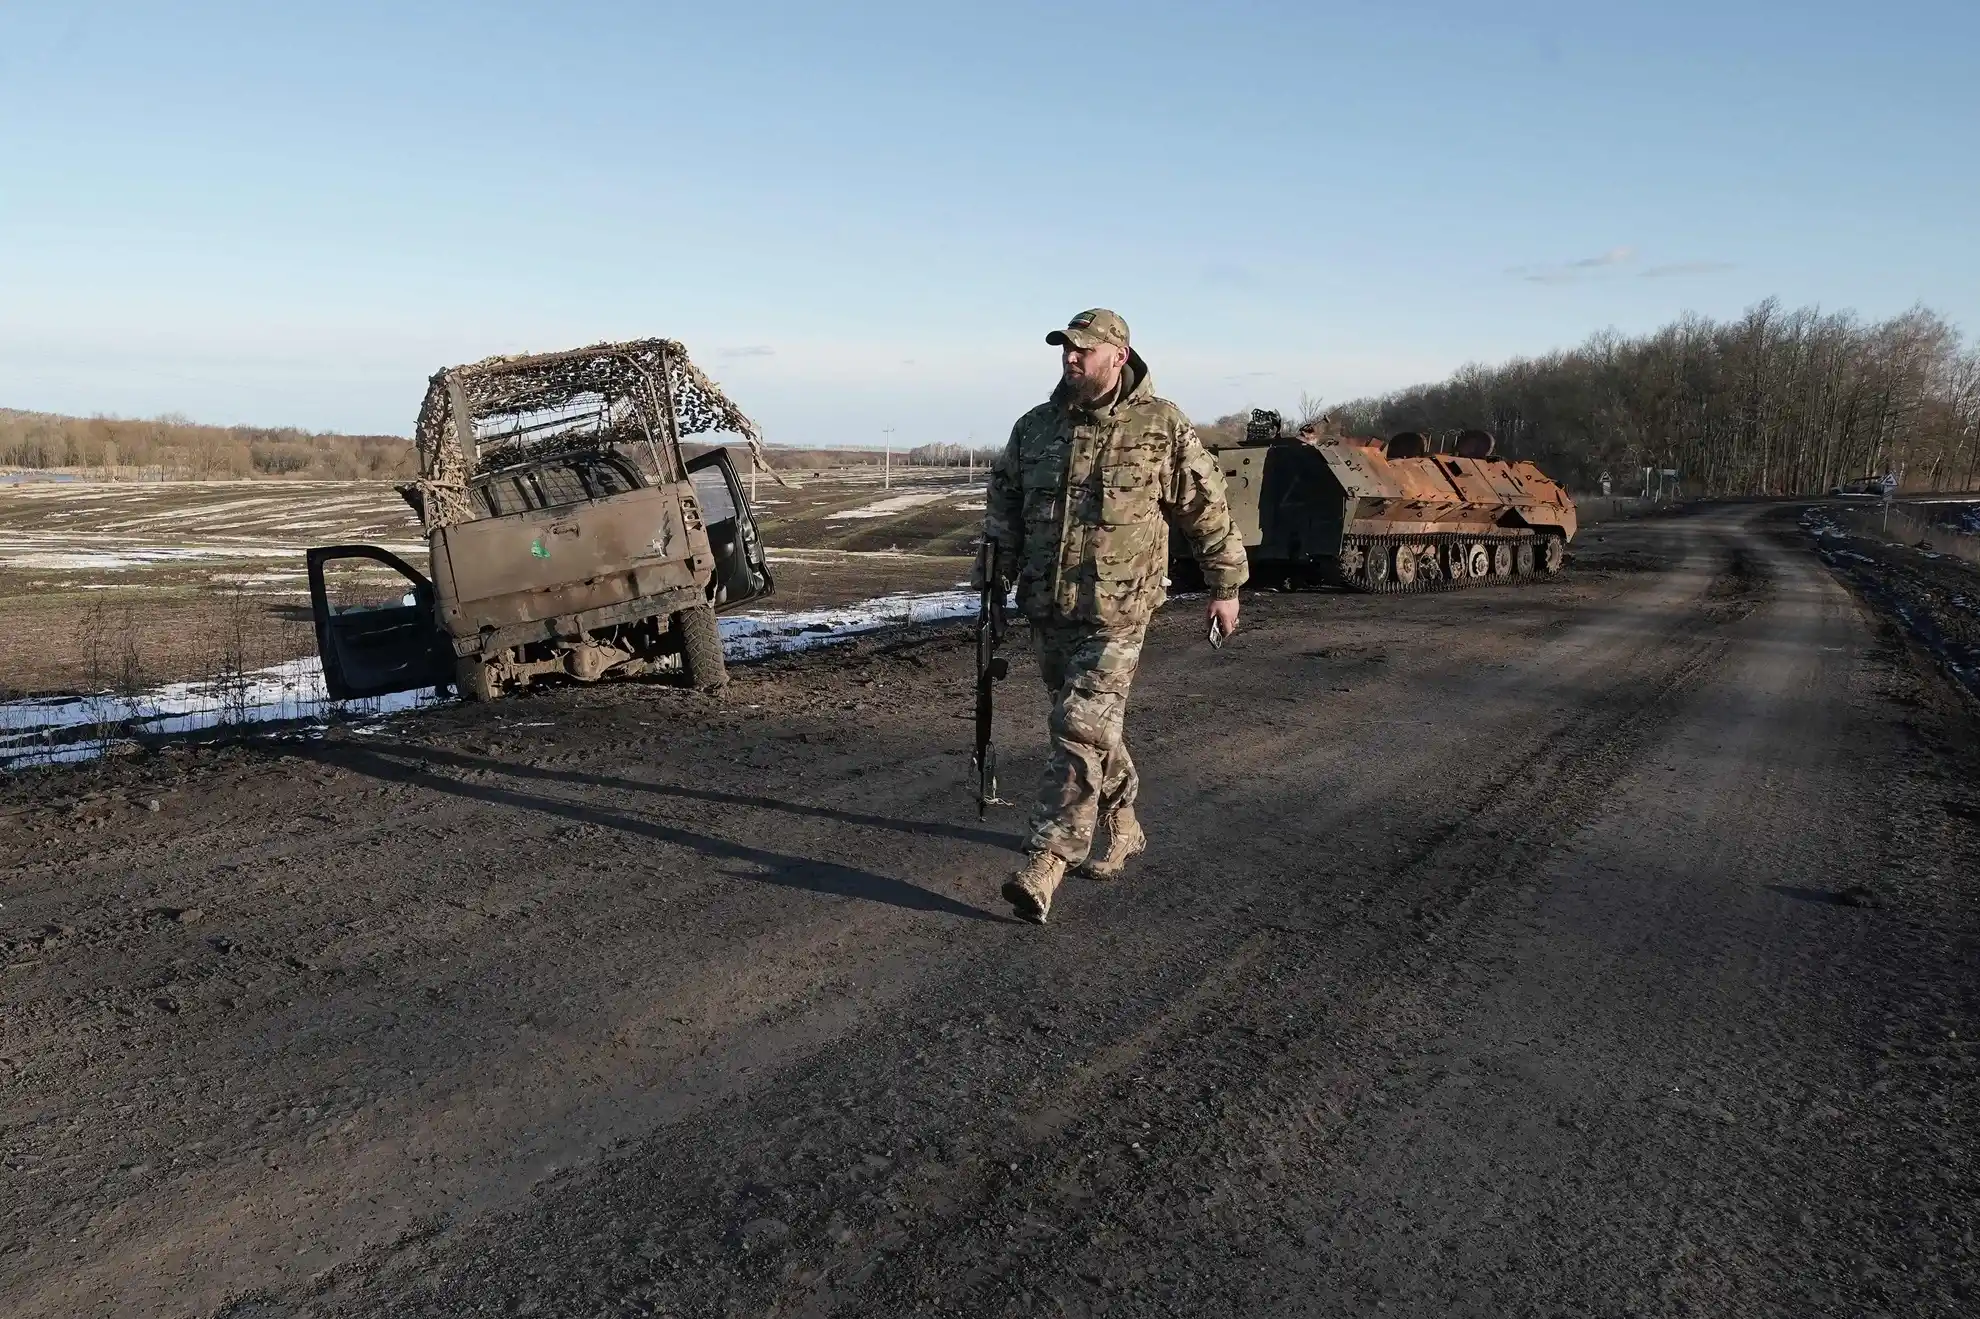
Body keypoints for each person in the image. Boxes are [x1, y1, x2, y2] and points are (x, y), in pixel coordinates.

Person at [974, 308, 1248, 924]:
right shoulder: (1035, 429)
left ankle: (1048, 858)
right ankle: (1123, 823)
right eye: (1065, 350)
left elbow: (1206, 508)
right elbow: (1005, 508)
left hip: (1120, 611)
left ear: (1117, 356)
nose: (1071, 359)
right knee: (1093, 729)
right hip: (1048, 604)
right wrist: (993, 582)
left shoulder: (1161, 427)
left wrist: (1225, 584)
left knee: (1078, 726)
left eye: (1083, 350)